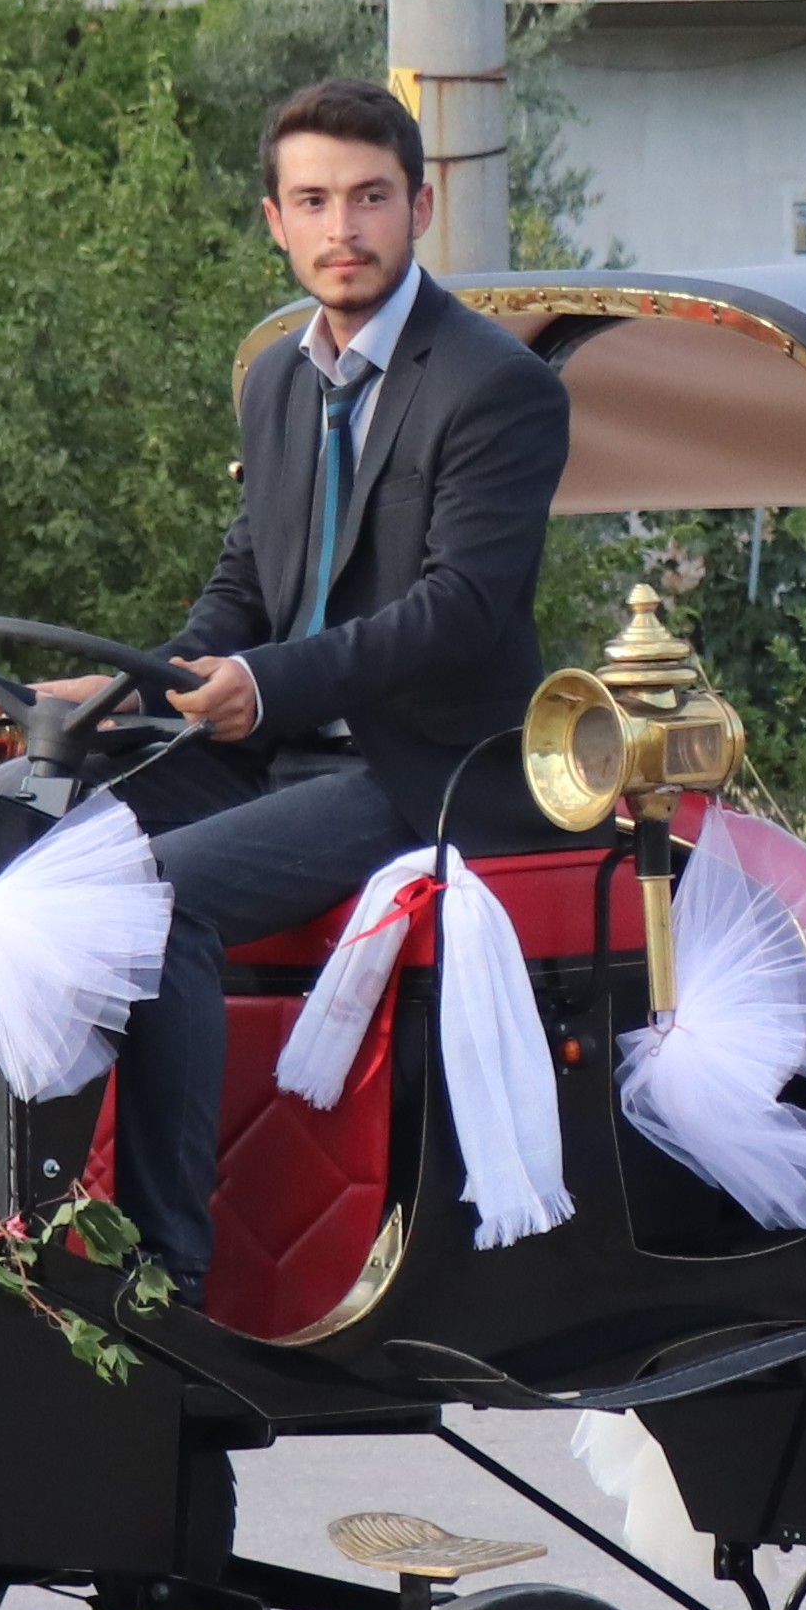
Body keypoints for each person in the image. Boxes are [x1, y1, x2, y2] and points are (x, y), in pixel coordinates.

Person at [96, 80, 570, 1283]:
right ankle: (8, 1220)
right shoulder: (275, 378)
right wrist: (125, 696)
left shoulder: (495, 385)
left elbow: (459, 614)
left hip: (421, 768)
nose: (342, 226)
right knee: (16, 818)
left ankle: (168, 1271)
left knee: (160, 898)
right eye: (313, 200)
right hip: (277, 744)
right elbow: (242, 591)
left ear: (421, 204)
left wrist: (270, 680)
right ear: (274, 217)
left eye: (368, 197)